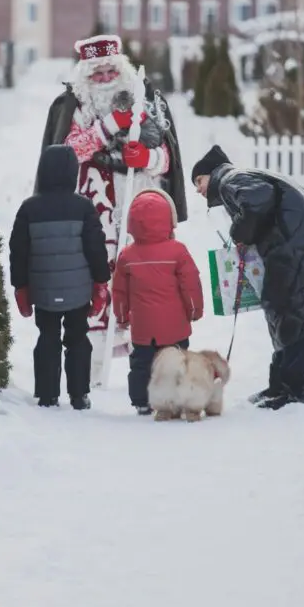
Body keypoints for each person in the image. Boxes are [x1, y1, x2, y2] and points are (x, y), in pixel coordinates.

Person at [36, 33, 187, 383]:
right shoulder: (73, 107)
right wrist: (109, 127)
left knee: (147, 285)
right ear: (84, 78)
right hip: (93, 211)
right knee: (95, 284)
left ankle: (149, 368)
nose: (104, 79)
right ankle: (93, 372)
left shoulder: (146, 101)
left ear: (122, 71)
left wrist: (148, 156)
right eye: (96, 74)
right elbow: (70, 150)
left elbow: (168, 159)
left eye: (110, 72)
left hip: (140, 208)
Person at [191, 144, 304, 410]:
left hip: (298, 241)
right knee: (281, 307)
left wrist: (240, 234)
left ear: (211, 173)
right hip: (302, 237)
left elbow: (259, 200)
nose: (199, 190)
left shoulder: (229, 180)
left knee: (291, 311)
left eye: (199, 181)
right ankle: (280, 384)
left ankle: (294, 387)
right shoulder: (237, 177)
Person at [9, 144, 110, 409]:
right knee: (78, 339)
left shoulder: (28, 209)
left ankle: (47, 394)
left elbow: (18, 251)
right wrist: (101, 281)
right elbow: (96, 247)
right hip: (78, 292)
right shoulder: (84, 207)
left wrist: (21, 286)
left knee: (47, 338)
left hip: (43, 291)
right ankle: (79, 395)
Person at [112, 188, 203, 414]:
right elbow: (191, 284)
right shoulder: (178, 251)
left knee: (142, 364)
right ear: (169, 221)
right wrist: (194, 310)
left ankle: (142, 401)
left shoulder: (127, 256)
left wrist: (122, 317)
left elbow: (120, 292)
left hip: (143, 328)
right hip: (175, 326)